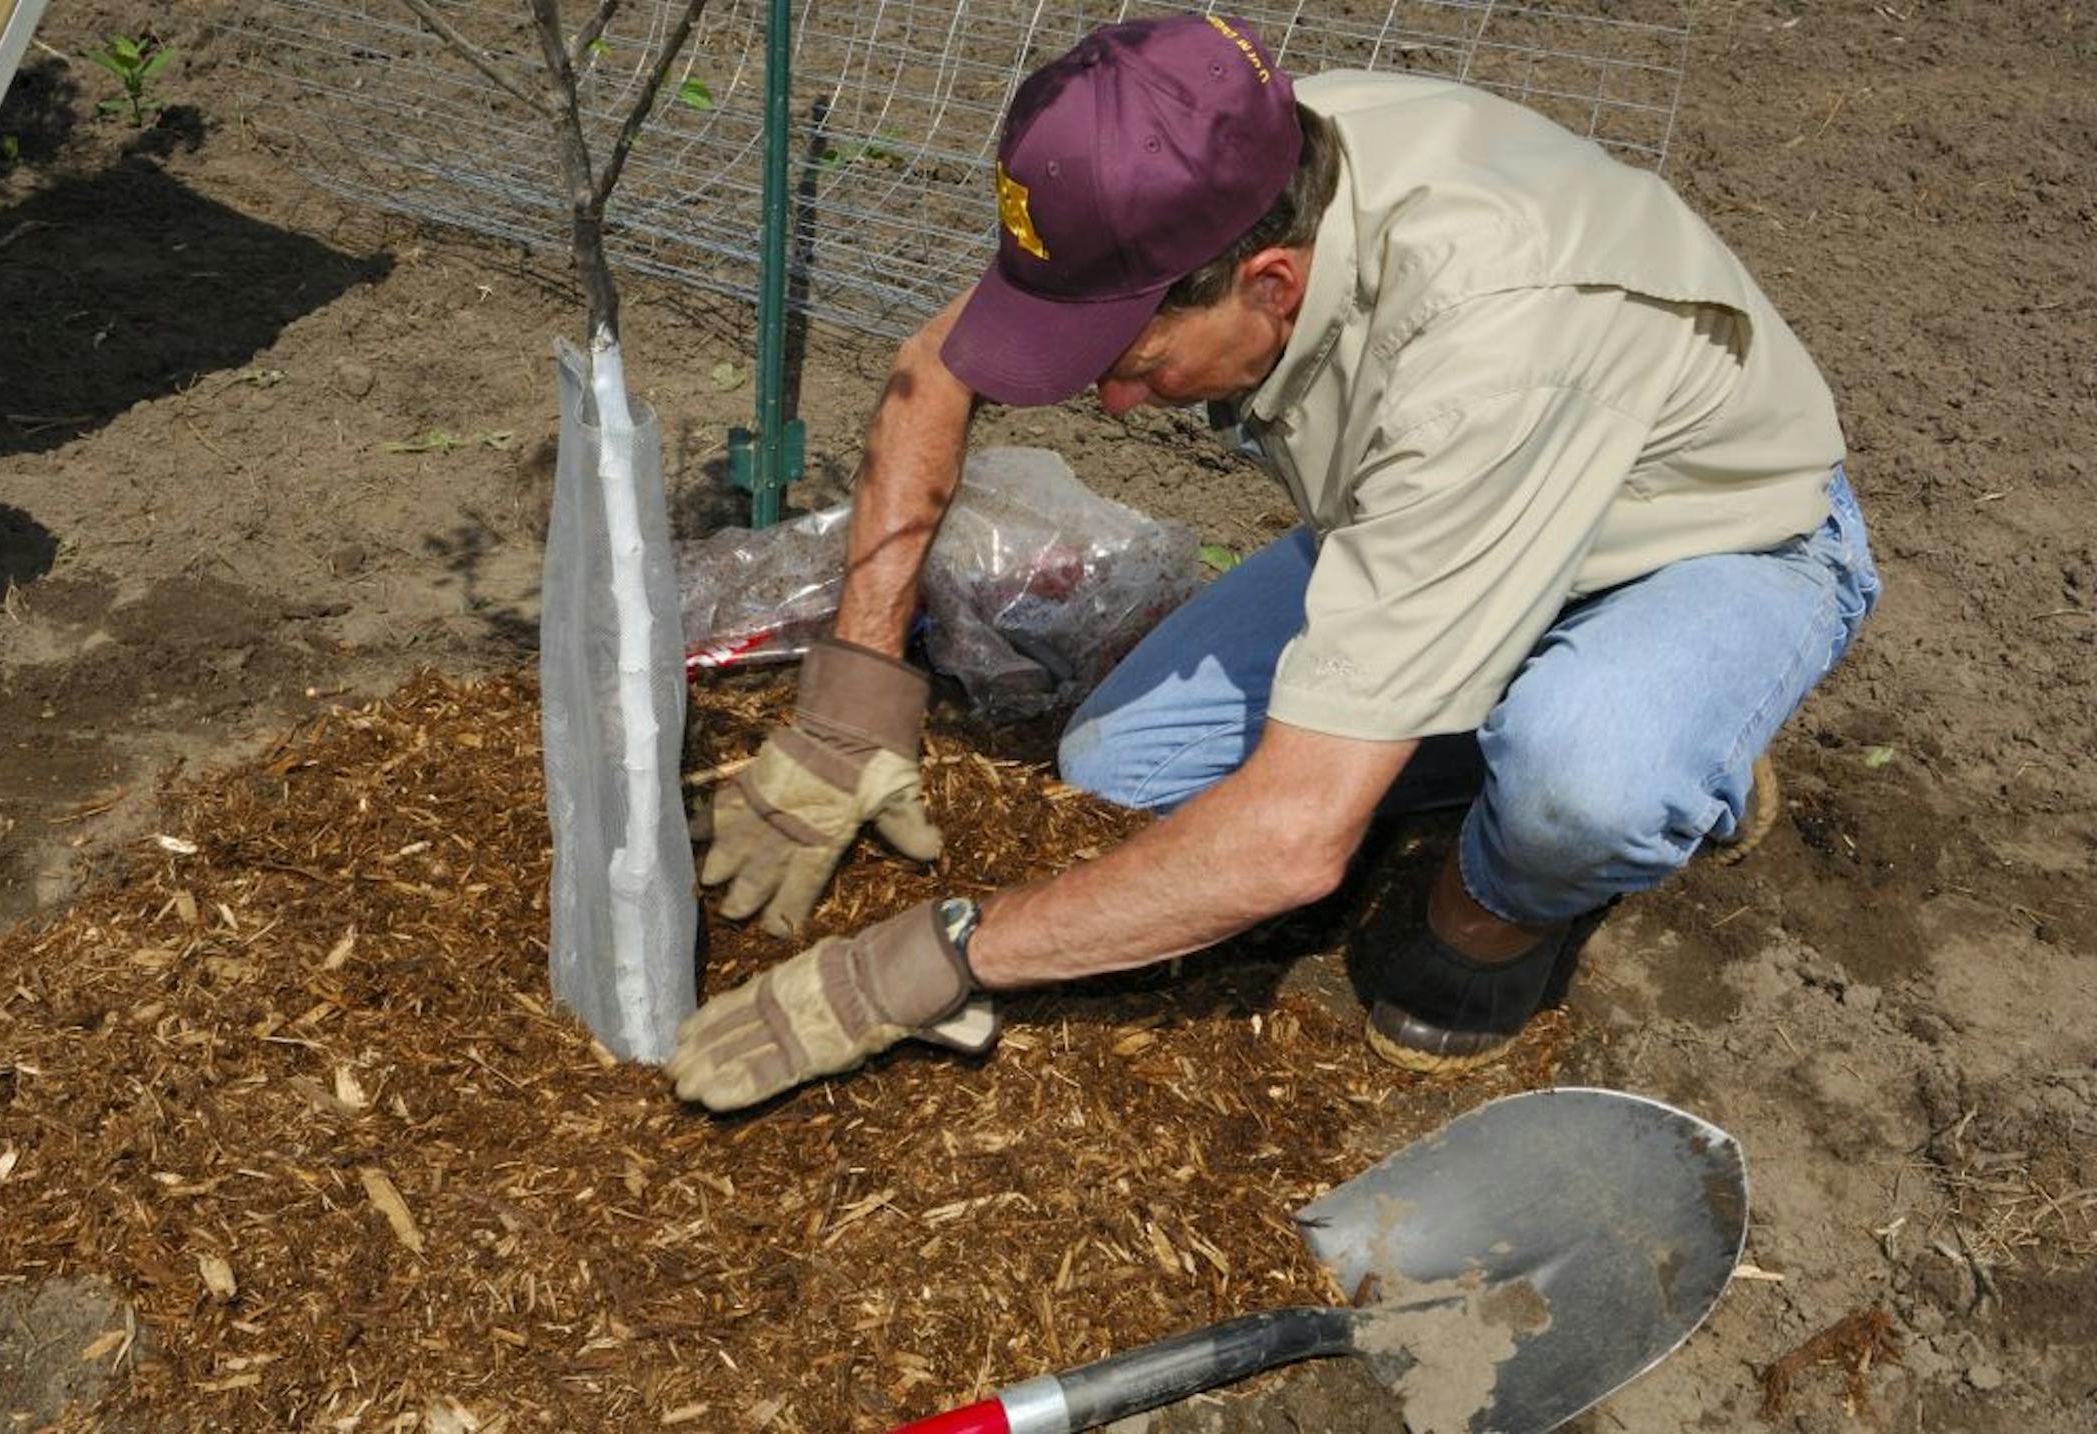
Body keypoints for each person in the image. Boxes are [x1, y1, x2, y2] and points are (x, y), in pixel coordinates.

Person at [667, 13, 1881, 1111]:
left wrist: (923, 964)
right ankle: (1487, 710)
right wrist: (853, 694)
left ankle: (1561, 845)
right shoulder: (1194, 164)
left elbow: (1291, 843)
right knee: (1114, 767)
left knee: (1581, 783)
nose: (1111, 398)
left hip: (1698, 543)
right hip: (1423, 521)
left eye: (1132, 361)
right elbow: (939, 367)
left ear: (1272, 283)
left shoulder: (1487, 349)